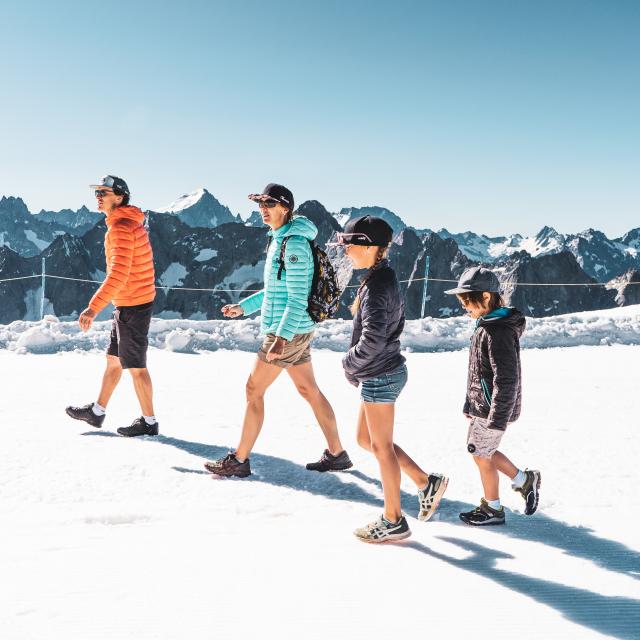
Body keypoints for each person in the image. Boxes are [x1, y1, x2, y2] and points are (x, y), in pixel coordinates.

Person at [204, 183, 352, 477]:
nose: (263, 210)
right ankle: (337, 453)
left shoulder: (294, 244)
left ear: (286, 207)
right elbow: (276, 291)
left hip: (288, 330)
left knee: (253, 389)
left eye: (269, 204)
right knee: (308, 389)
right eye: (261, 204)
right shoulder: (280, 239)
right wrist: (243, 307)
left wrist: (280, 338)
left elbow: (296, 299)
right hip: (295, 327)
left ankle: (240, 460)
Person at [338, 216, 448, 543]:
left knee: (381, 447)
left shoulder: (376, 286)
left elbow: (372, 340)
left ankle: (394, 519)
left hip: (380, 374)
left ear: (371, 247)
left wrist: (348, 364)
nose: (346, 251)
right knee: (365, 439)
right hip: (381, 371)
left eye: (351, 244)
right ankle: (424, 482)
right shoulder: (379, 277)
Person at [445, 266, 541, 525]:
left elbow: (506, 379)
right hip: (483, 406)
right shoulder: (485, 325)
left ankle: (493, 508)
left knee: (481, 452)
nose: (464, 306)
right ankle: (523, 480)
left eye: (467, 300)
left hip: (493, 410)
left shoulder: (497, 332)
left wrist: (498, 417)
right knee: (481, 451)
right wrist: (469, 401)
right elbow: (478, 372)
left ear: (486, 297)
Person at [65, 175, 158, 437]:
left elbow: (118, 274)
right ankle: (97, 412)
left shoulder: (121, 228)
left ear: (119, 197)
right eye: (97, 193)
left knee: (137, 367)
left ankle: (149, 423)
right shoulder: (129, 223)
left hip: (133, 306)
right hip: (133, 302)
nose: (98, 197)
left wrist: (93, 308)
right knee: (113, 360)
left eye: (103, 193)